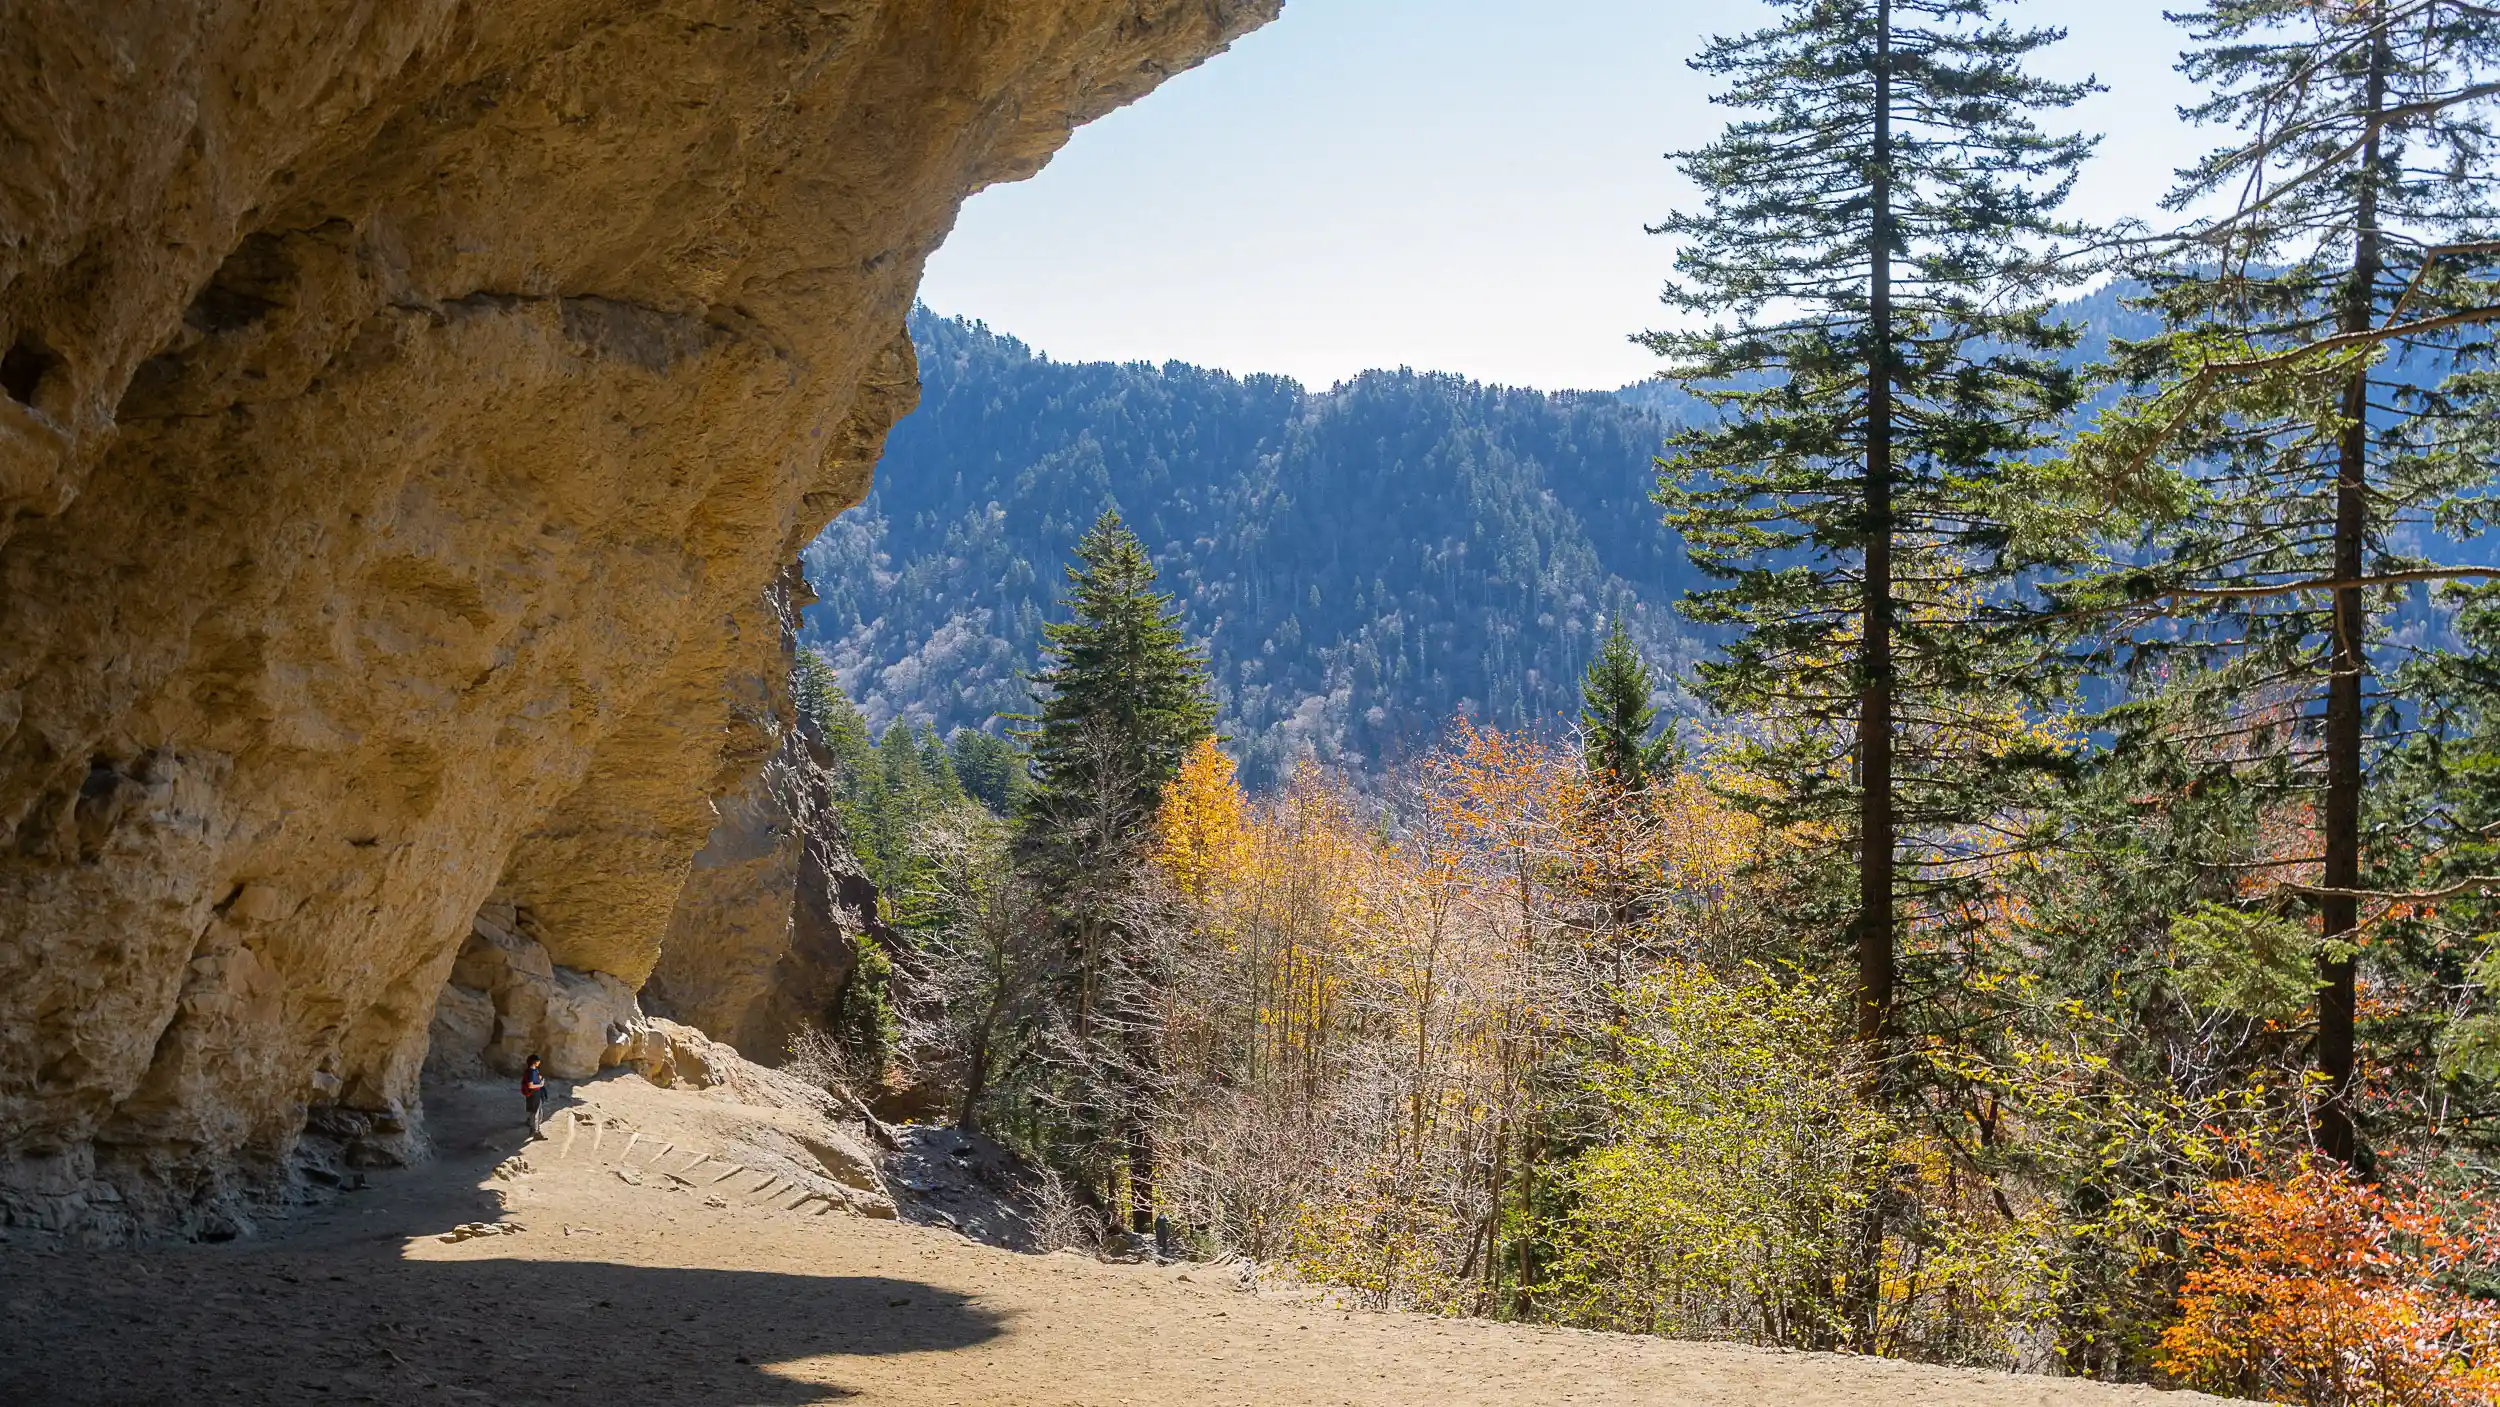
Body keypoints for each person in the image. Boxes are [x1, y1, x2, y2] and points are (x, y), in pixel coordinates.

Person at [522, 1054, 547, 1135]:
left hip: (534, 1094)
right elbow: (530, 1085)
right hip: (534, 1094)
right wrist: (541, 1085)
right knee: (536, 1114)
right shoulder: (532, 1072)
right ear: (535, 1062)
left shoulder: (533, 1070)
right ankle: (535, 1132)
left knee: (536, 1113)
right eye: (538, 1061)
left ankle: (533, 1130)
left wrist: (539, 1079)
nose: (539, 1062)